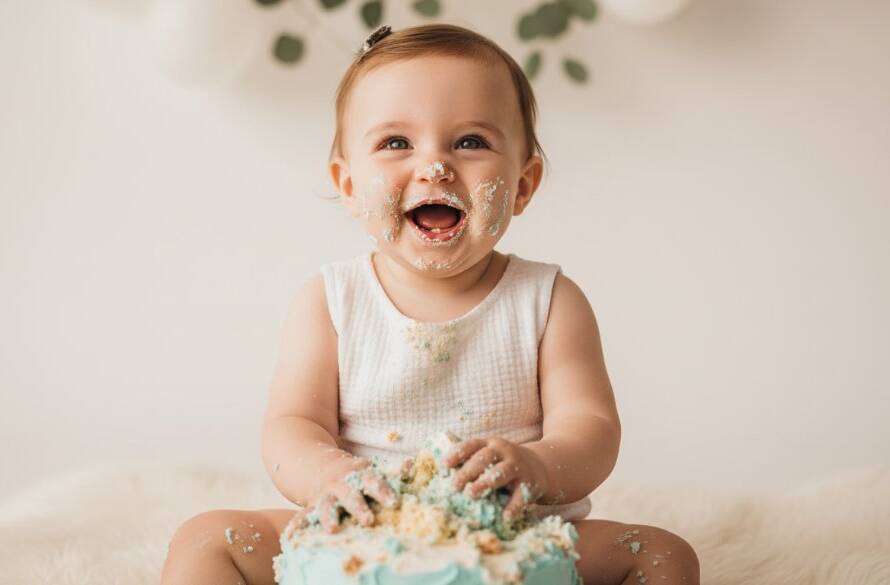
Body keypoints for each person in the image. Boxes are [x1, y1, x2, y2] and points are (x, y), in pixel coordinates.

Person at [160, 23, 700, 585]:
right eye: (396, 143)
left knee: (662, 553)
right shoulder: (332, 300)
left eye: (470, 142)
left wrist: (537, 467)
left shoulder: (548, 300)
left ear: (523, 184)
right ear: (347, 185)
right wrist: (329, 477)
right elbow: (292, 425)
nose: (435, 166)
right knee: (204, 538)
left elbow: (591, 428)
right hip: (360, 530)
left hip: (513, 536)